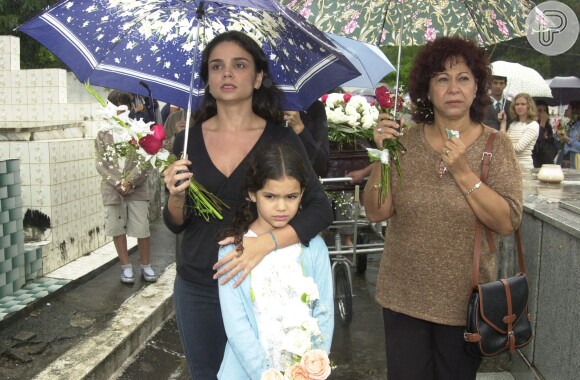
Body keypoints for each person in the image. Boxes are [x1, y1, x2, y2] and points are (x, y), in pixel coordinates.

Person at [162, 31, 333, 380]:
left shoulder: (281, 138)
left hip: (265, 290)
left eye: (239, 65)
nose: (227, 74)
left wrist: (264, 245)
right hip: (200, 286)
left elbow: (320, 209)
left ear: (257, 78)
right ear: (207, 80)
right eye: (216, 67)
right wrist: (176, 196)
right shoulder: (186, 141)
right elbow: (176, 223)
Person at [364, 36, 523, 380]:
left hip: (464, 305)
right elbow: (376, 212)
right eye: (442, 78)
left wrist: (464, 172)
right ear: (427, 88)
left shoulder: (497, 146)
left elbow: (507, 221)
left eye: (463, 77)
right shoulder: (403, 142)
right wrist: (382, 155)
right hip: (403, 296)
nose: (453, 87)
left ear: (477, 86)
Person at [216, 143, 333, 378]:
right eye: (270, 196)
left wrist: (311, 367)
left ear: (302, 194)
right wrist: (266, 374)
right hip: (246, 373)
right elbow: (237, 327)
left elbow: (324, 313)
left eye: (291, 196)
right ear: (252, 194)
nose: (281, 207)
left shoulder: (314, 248)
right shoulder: (233, 250)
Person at [95, 90, 157, 284]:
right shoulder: (102, 134)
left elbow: (146, 161)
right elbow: (100, 163)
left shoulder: (138, 131)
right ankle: (125, 266)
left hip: (137, 189)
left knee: (142, 228)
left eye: (125, 106)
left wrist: (130, 181)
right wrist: (117, 182)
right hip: (112, 190)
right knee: (116, 228)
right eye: (117, 106)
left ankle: (146, 265)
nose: (121, 110)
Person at [283, 100, 330, 178]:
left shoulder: (314, 107)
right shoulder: (262, 108)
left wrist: (299, 127)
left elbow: (322, 165)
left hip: (304, 181)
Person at [500, 93, 539, 170]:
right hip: (509, 167)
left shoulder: (533, 125)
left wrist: (504, 144)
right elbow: (502, 139)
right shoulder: (513, 124)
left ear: (529, 106)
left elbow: (518, 148)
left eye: (523, 104)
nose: (519, 107)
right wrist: (503, 122)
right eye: (517, 104)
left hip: (524, 167)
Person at [532, 99, 559, 167]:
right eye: (540, 110)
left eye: (545, 111)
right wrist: (542, 123)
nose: (543, 113)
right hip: (535, 161)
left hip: (546, 161)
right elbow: (535, 144)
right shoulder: (531, 125)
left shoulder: (548, 127)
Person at [557, 100, 580, 168]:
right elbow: (560, 146)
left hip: (575, 162)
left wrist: (568, 140)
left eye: (568, 108)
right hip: (563, 160)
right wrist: (559, 137)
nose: (566, 110)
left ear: (575, 110)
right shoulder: (569, 124)